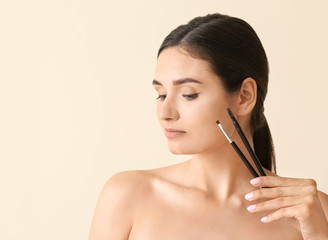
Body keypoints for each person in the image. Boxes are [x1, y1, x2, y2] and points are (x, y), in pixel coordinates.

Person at [88, 13, 328, 239]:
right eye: (161, 94)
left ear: (245, 96)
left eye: (188, 94)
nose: (165, 112)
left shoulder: (311, 209)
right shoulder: (128, 195)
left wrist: (318, 234)